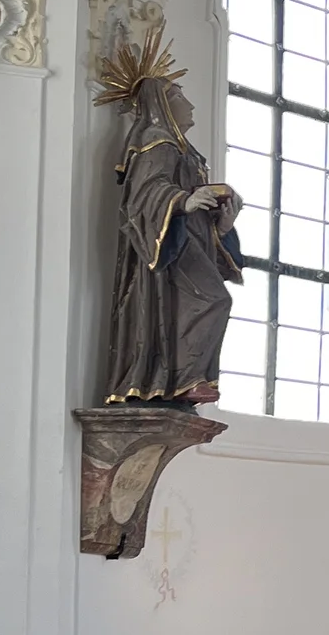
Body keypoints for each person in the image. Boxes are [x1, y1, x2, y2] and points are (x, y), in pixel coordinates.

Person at [95, 33, 243, 406]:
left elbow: (190, 206)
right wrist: (183, 199)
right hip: (165, 254)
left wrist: (222, 227)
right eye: (180, 98)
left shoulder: (184, 151)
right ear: (162, 103)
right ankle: (176, 378)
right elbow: (143, 195)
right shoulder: (155, 142)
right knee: (213, 300)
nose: (190, 104)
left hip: (187, 243)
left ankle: (186, 379)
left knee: (213, 300)